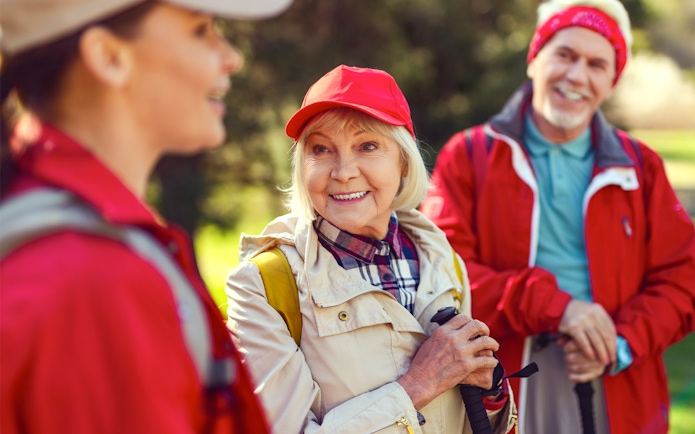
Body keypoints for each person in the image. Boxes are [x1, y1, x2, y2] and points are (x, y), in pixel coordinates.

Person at [0, 0, 292, 432]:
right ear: (109, 57)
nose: (232, 57)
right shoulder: (95, 280)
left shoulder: (53, 225)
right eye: (200, 30)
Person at [419, 0, 695, 433]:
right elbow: (443, 278)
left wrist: (621, 343)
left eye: (596, 64)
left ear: (610, 81)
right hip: (507, 379)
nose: (577, 75)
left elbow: (683, 278)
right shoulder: (468, 156)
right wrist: (559, 308)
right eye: (564, 54)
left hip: (619, 383)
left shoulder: (641, 167)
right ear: (535, 59)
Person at [225, 64, 517, 434]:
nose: (343, 171)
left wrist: (492, 394)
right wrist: (417, 386)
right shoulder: (263, 286)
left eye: (367, 146)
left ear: (404, 163)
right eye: (321, 149)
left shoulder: (444, 262)